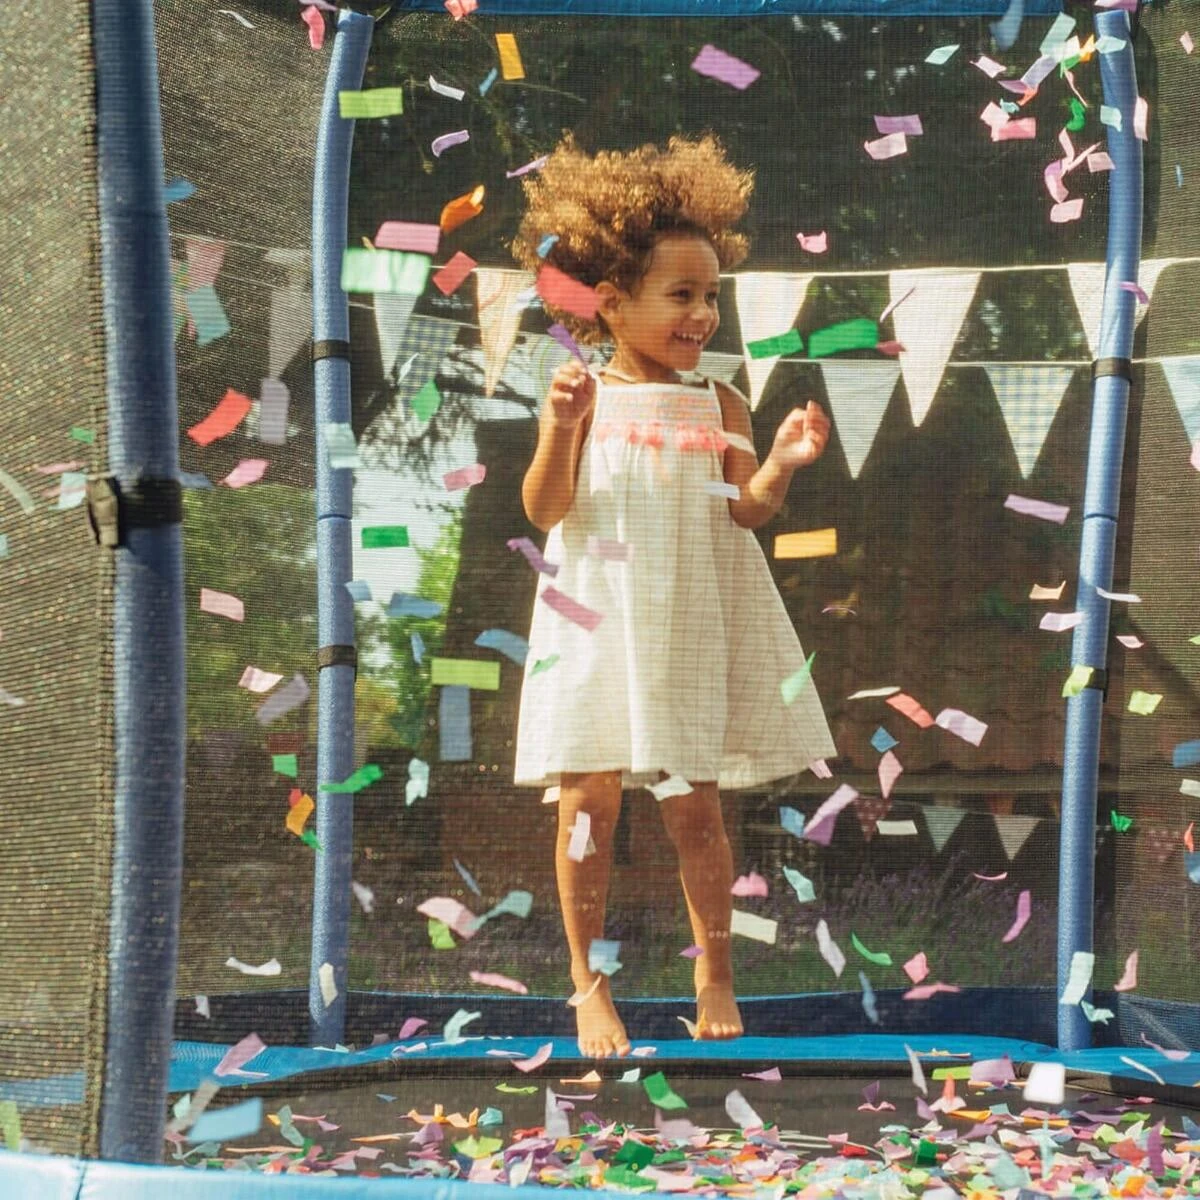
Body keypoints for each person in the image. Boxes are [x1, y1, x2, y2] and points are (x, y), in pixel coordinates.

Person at [511, 134, 837, 1058]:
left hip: (688, 617)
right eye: (680, 296)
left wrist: (779, 458)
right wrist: (559, 427)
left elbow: (749, 513)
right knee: (589, 804)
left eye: (711, 297)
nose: (701, 315)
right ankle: (587, 984)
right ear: (612, 304)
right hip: (596, 620)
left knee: (695, 807)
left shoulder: (720, 402)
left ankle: (716, 969)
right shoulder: (581, 394)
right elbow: (545, 509)